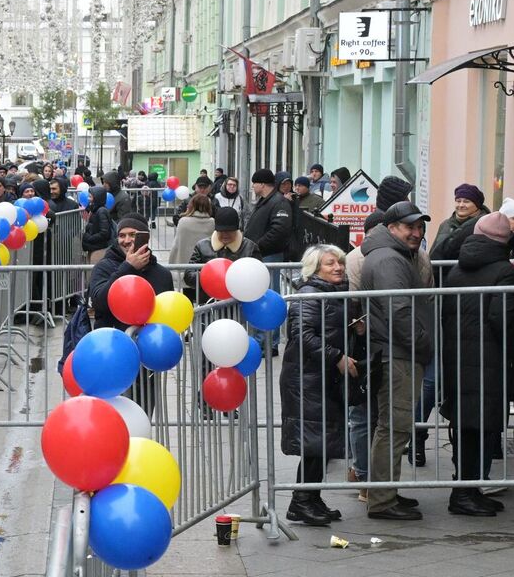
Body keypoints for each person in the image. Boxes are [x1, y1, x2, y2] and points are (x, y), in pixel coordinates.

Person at [439, 213, 514, 517]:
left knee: (465, 427)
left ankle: (467, 490)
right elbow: (504, 319)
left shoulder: (458, 268)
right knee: (480, 428)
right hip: (489, 360)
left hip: (457, 357)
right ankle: (464, 494)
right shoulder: (504, 270)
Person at [359, 201, 435, 521]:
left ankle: (385, 491)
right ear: (392, 229)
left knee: (394, 426)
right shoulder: (390, 259)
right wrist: (423, 344)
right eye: (410, 227)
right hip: (398, 353)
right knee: (394, 427)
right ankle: (382, 499)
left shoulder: (391, 255)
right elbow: (399, 311)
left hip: (395, 350)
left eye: (419, 227)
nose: (416, 233)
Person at [279, 245, 356, 526]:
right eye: (330, 264)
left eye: (340, 263)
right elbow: (302, 334)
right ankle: (301, 501)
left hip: (320, 377)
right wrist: (335, 356)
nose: (338, 268)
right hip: (306, 379)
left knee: (322, 442)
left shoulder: (333, 294)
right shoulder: (310, 295)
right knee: (315, 442)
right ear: (315, 269)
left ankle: (311, 497)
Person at [186, 207, 260, 299]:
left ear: (236, 229)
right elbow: (188, 276)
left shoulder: (250, 248)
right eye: (221, 231)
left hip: (239, 304)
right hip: (209, 304)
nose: (225, 234)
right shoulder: (202, 246)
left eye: (229, 231)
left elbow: (258, 277)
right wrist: (207, 276)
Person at [244, 169, 293, 258]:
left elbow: (279, 231)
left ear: (262, 185)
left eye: (254, 183)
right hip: (259, 254)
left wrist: (257, 247)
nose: (253, 186)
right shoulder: (265, 200)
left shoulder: (279, 202)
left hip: (269, 256)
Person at [167, 193, 214, 266]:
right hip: (204, 265)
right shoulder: (212, 223)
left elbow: (176, 245)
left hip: (184, 266)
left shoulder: (183, 221)